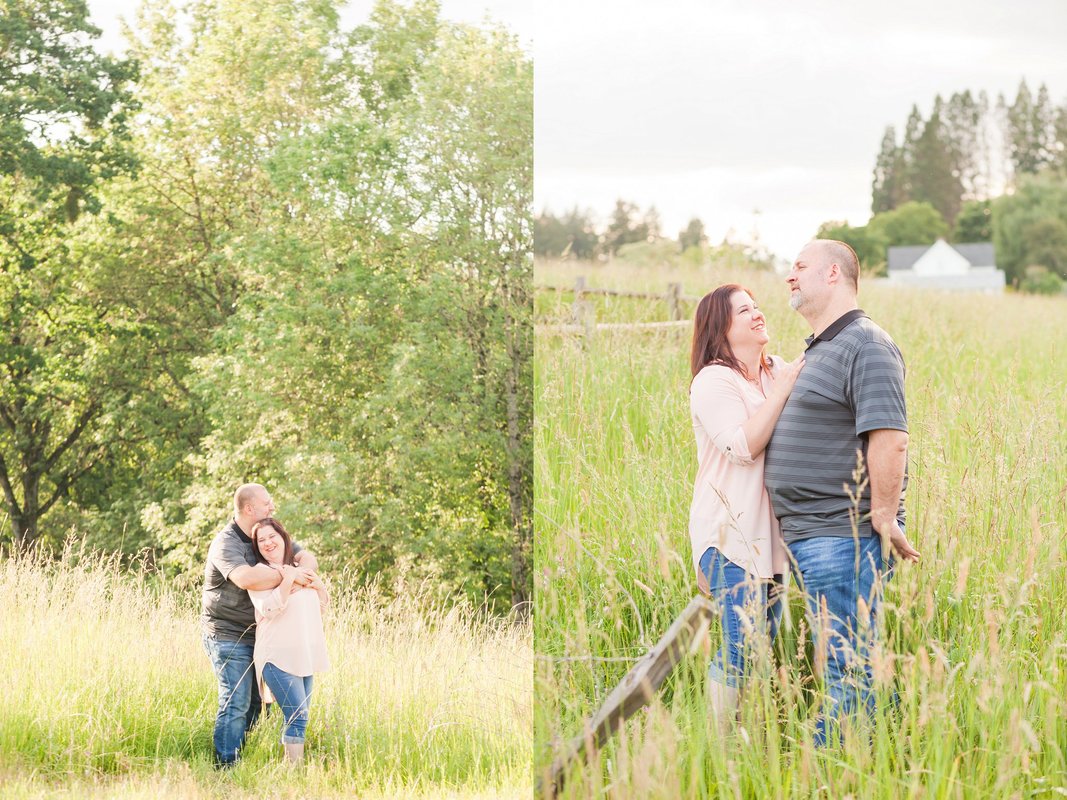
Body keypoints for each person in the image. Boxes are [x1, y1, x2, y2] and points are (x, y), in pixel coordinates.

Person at [765, 239, 920, 746]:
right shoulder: (822, 346)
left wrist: (881, 513)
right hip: (814, 536)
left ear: (833, 274)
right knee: (858, 661)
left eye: (799, 265)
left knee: (844, 668)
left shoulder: (867, 343)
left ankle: (822, 773)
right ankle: (890, 758)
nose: (790, 276)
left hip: (842, 535)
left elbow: (890, 436)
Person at [688, 284, 804, 733]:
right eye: (744, 310)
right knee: (742, 643)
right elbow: (741, 446)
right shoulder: (714, 380)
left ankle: (746, 738)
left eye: (756, 306)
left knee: (760, 644)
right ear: (722, 328)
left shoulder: (777, 370)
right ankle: (720, 748)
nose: (758, 314)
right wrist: (782, 391)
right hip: (728, 534)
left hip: (769, 538)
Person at [200, 483, 319, 767]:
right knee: (237, 700)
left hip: (262, 635)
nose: (272, 507)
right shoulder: (226, 542)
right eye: (267, 503)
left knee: (258, 704)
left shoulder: (263, 536)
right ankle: (225, 767)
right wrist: (287, 574)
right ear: (249, 508)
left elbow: (308, 558)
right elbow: (246, 579)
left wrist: (299, 571)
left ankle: (244, 758)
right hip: (227, 634)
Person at [248, 517, 330, 765]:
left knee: (300, 715)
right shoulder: (261, 574)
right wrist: (287, 580)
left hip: (302, 654)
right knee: (298, 715)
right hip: (276, 655)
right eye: (261, 540)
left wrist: (317, 584)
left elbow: (322, 606)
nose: (267, 543)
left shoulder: (301, 569)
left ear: (283, 537)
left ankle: (292, 771)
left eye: (271, 536)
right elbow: (269, 609)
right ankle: (293, 772)